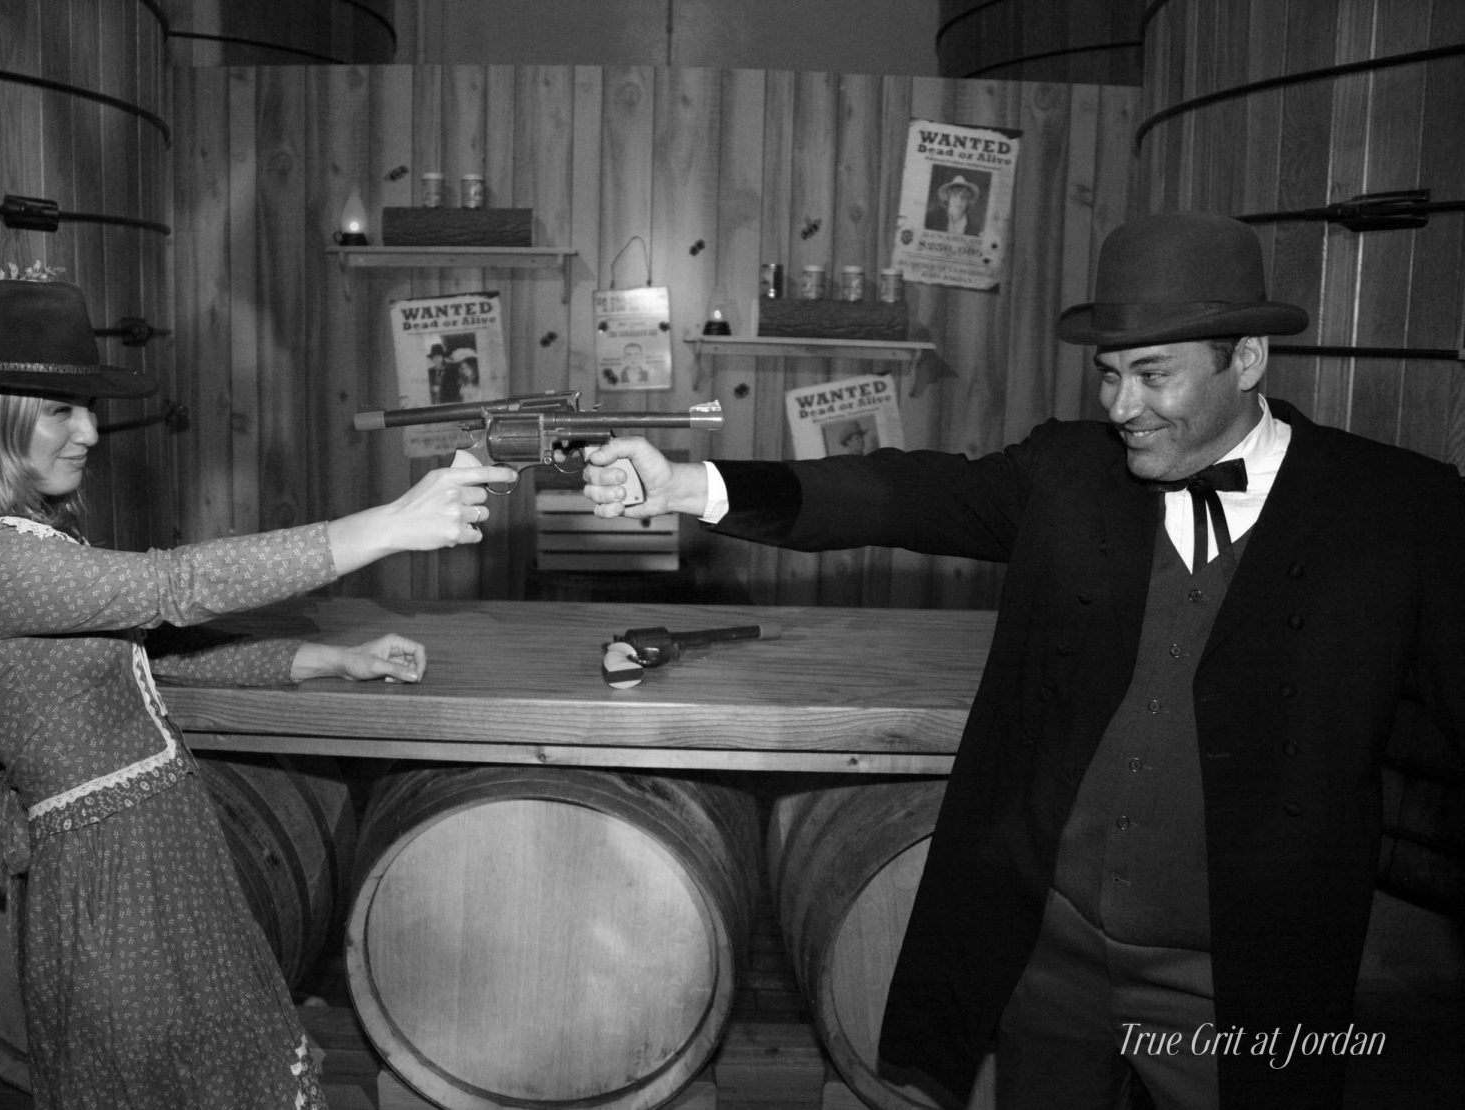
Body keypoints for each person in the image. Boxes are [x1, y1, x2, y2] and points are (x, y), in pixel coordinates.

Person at [583, 211, 1465, 1110]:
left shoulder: (1400, 513)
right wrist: (692, 484)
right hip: (1052, 958)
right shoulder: (1067, 473)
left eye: (1154, 377)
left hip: (1242, 980)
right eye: (1111, 376)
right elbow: (902, 494)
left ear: (1245, 360)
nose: (1122, 409)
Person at [0, 279, 515, 1110]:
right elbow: (174, 586)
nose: (92, 431)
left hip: (158, 847)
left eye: (88, 408)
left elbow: (152, 658)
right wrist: (384, 525)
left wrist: (325, 659)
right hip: (113, 874)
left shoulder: (17, 537)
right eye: (63, 410)